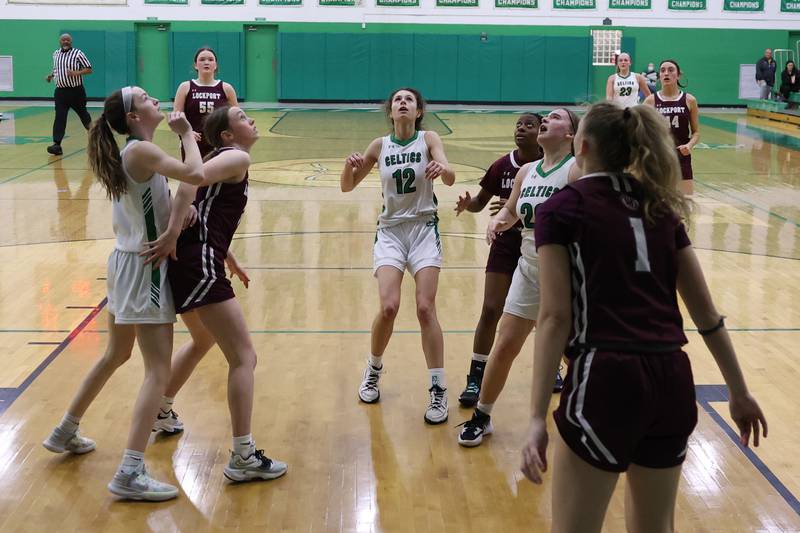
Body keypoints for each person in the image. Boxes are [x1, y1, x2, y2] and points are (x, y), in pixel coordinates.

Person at [519, 102, 767, 532]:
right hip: (671, 377)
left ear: (583, 145)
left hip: (606, 375)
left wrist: (537, 417)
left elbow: (556, 318)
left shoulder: (561, 208)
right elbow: (706, 313)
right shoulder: (661, 207)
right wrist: (739, 392)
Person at [42, 86, 204, 501]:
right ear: (133, 117)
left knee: (115, 354)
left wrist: (177, 218)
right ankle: (131, 470)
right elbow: (198, 175)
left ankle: (65, 430)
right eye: (146, 99)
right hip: (145, 267)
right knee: (157, 370)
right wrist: (187, 135)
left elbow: (158, 201)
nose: (155, 101)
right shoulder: (139, 152)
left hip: (127, 261)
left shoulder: (136, 151)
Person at [144, 105, 288, 483]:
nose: (251, 120)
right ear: (227, 134)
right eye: (242, 117)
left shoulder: (223, 156)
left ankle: (161, 408)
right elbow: (189, 182)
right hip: (196, 260)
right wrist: (174, 232)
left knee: (203, 338)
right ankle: (242, 455)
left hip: (196, 259)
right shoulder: (236, 156)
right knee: (244, 357)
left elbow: (202, 205)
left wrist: (230, 256)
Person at [457, 109, 582, 447]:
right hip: (528, 269)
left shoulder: (575, 170)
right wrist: (497, 222)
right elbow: (512, 210)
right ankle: (482, 416)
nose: (546, 120)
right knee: (506, 344)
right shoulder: (528, 171)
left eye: (556, 118)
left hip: (565, 275)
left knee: (575, 355)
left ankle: (594, 414)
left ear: (571, 134)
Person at [341, 87, 455, 425]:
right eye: (397, 101)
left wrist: (440, 168)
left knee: (424, 307)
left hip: (423, 228)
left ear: (418, 111)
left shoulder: (429, 138)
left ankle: (438, 387)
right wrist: (349, 167)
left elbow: (449, 176)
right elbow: (347, 186)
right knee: (389, 307)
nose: (402, 103)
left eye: (409, 100)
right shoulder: (379, 145)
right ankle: (374, 368)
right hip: (391, 231)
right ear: (390, 112)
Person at [453, 113, 542, 407]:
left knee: (543, 313)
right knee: (491, 308)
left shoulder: (552, 165)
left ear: (541, 131)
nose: (521, 128)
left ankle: (554, 366)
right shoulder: (503, 165)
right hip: (505, 242)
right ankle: (476, 376)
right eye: (518, 124)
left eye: (529, 125)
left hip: (540, 244)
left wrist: (517, 207)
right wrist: (469, 206)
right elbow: (481, 201)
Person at [645, 59, 700, 196]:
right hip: (659, 156)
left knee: (686, 201)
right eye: (662, 70)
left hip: (681, 156)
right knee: (657, 201)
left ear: (678, 75)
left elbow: (696, 132)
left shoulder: (690, 100)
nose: (666, 73)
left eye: (670, 70)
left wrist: (689, 145)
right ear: (659, 76)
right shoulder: (650, 101)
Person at [173, 47, 238, 159]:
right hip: (193, 143)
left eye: (210, 59)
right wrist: (186, 133)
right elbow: (176, 117)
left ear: (216, 65)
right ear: (195, 65)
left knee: (218, 176)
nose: (206, 62)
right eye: (202, 59)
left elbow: (237, 118)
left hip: (219, 143)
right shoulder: (185, 87)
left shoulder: (226, 88)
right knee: (194, 175)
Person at [45, 33, 93, 156]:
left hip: (76, 91)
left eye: (68, 40)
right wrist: (51, 76)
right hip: (60, 92)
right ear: (60, 41)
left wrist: (76, 73)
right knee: (60, 117)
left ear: (71, 42)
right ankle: (57, 145)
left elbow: (89, 69)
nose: (65, 41)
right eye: (63, 40)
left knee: (83, 115)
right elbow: (57, 68)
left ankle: (96, 138)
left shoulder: (78, 53)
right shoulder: (55, 54)